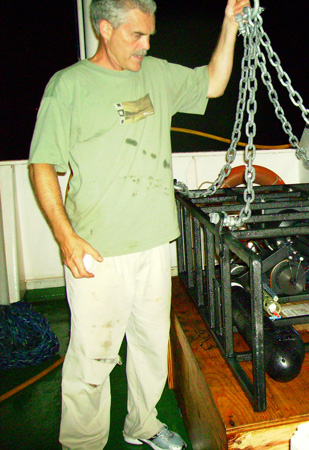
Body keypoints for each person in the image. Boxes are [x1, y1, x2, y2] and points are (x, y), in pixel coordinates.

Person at [28, 0, 250, 448]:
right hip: (95, 248)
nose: (146, 46)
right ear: (104, 29)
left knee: (150, 345)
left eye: (150, 35)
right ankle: (82, 442)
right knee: (93, 357)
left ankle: (143, 424)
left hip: (152, 241)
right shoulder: (68, 86)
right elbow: (42, 165)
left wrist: (229, 26)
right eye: (136, 36)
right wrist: (66, 238)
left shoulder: (156, 73)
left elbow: (213, 83)